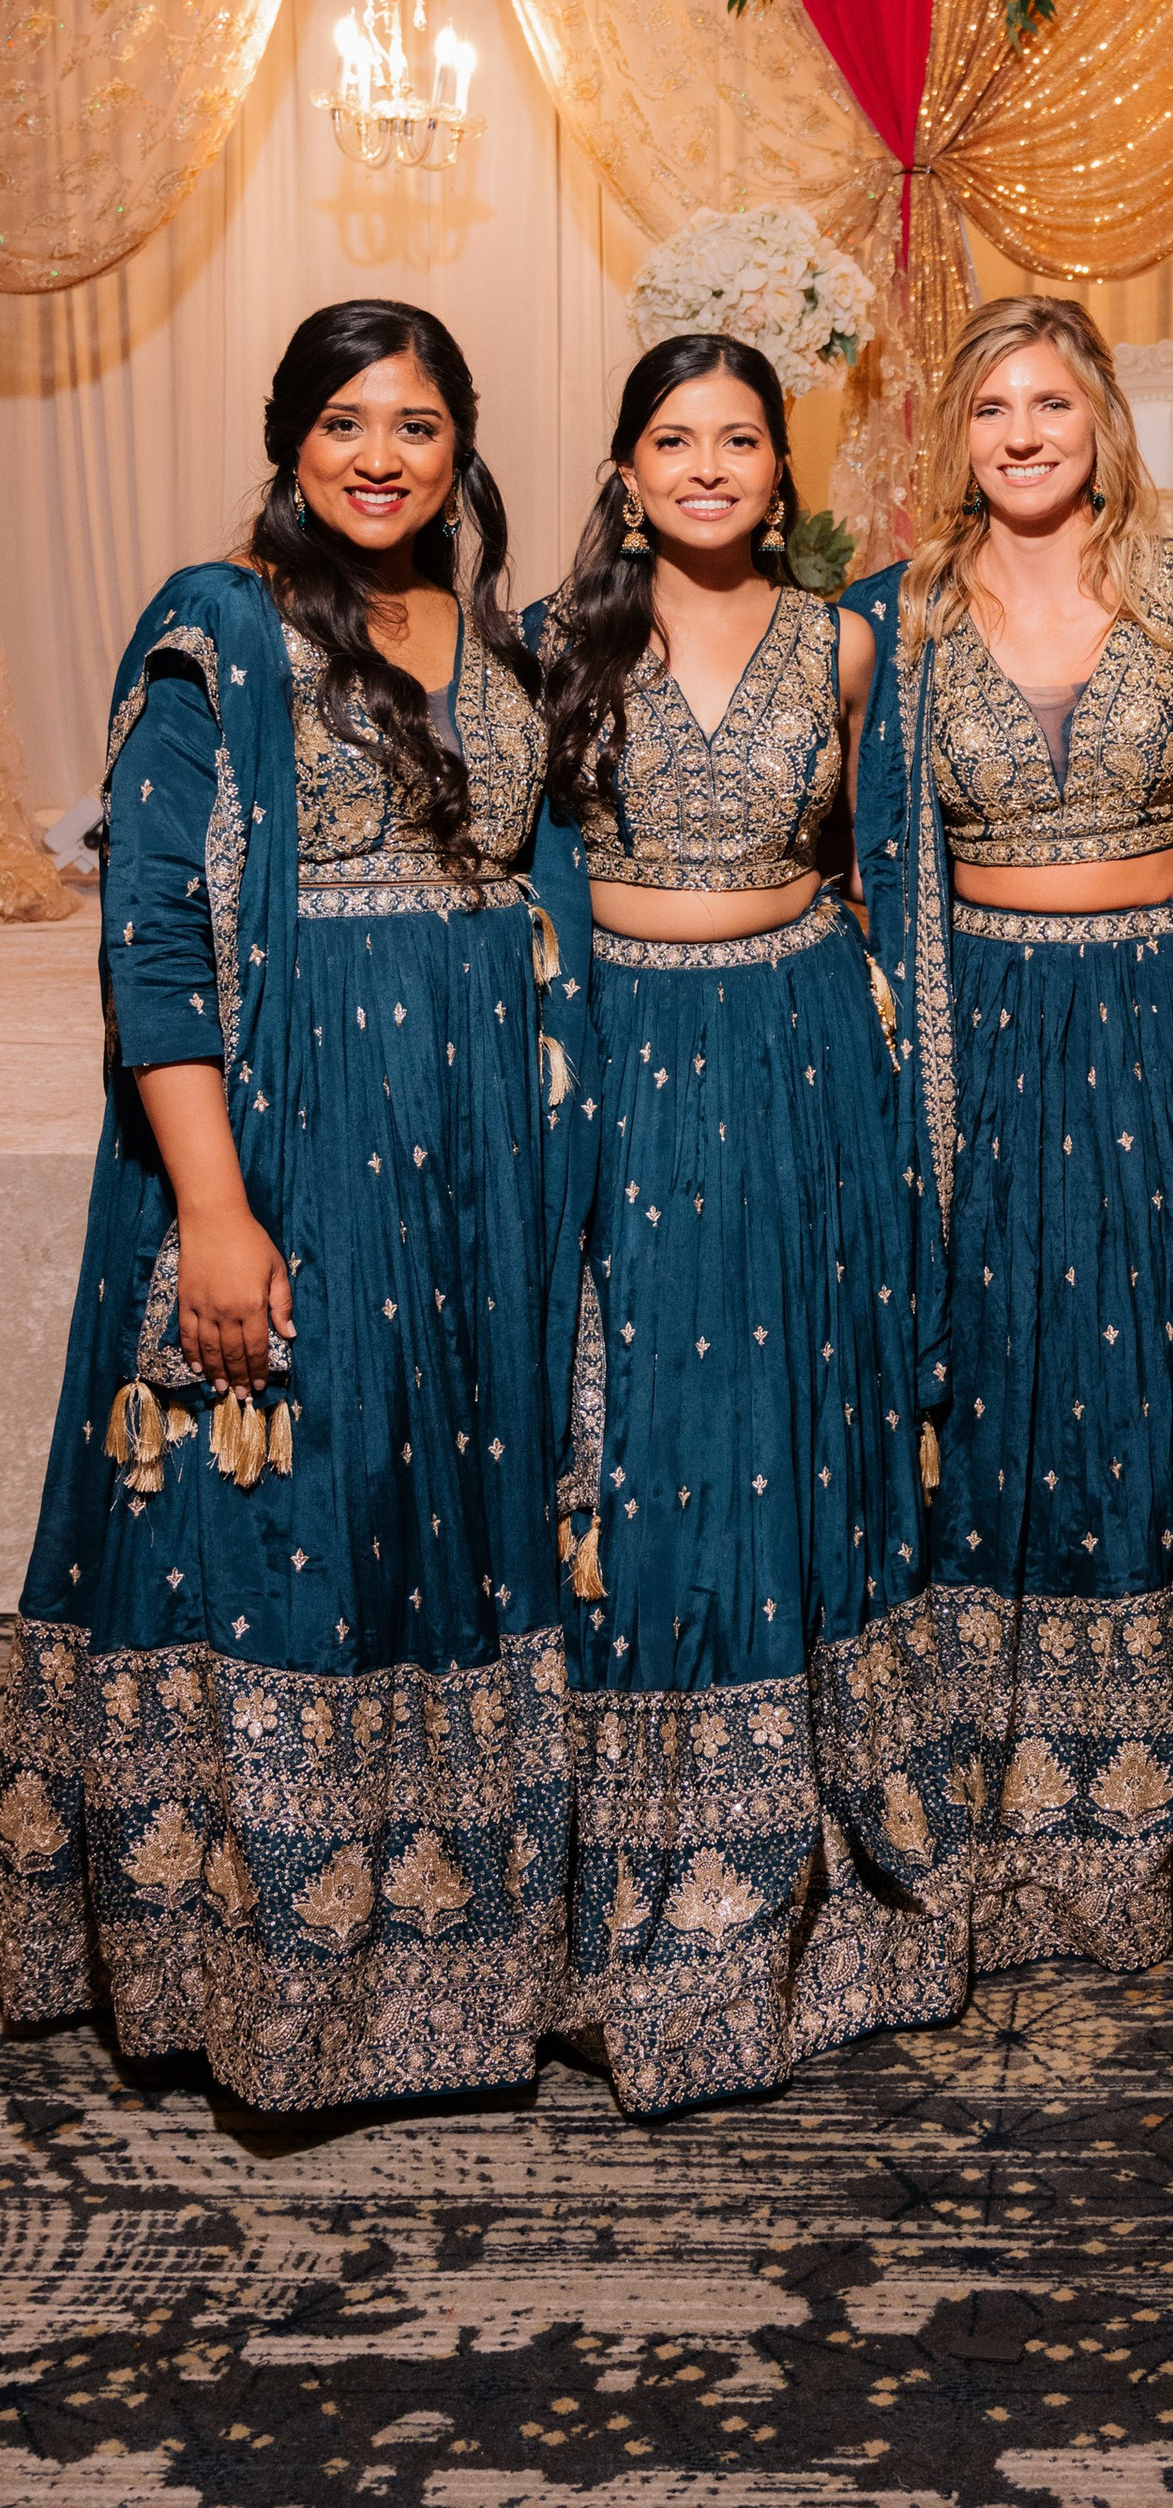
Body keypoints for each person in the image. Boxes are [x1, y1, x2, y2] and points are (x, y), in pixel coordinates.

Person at [0, 303, 576, 2110]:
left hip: (477, 1161)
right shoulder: (218, 624)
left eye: (416, 421)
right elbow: (152, 936)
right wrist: (218, 1209)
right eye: (344, 421)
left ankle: (453, 1964)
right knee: (289, 1519)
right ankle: (261, 1982)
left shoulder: (485, 639)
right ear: (290, 441)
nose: (381, 454)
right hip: (294, 1142)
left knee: (436, 1512)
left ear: (463, 443)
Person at [536, 334, 956, 2111]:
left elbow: (884, 870)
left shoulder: (848, 642)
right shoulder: (557, 649)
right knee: (642, 1451)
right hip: (625, 1054)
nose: (708, 467)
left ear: (786, 474)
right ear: (627, 471)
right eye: (672, 439)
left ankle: (816, 1884)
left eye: (740, 441)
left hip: (797, 1061)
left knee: (795, 1446)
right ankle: (637, 1905)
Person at [848, 297, 1173, 1975]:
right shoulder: (896, 618)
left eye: (1051, 403)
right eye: (990, 410)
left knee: (1161, 1377)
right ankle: (1002, 1792)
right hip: (987, 1032)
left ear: (1102, 414)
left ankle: (1167, 1800)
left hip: (1159, 1017)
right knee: (1006, 1375)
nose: (1022, 435)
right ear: (955, 434)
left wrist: (1166, 920)